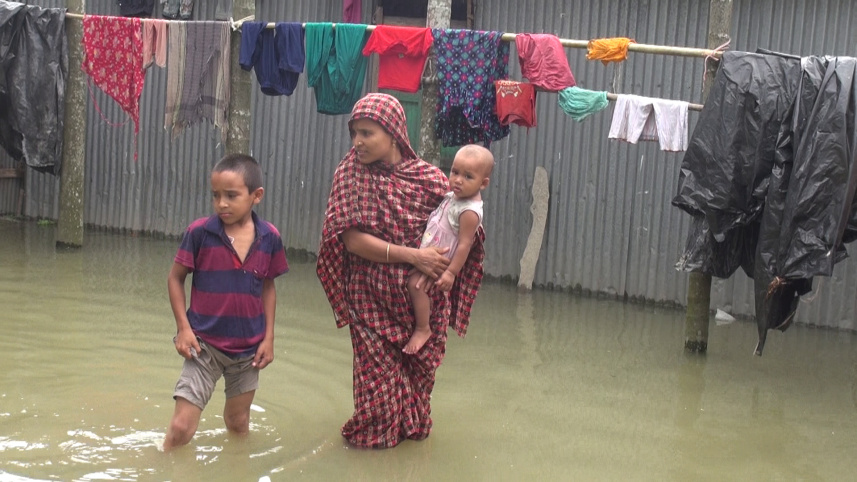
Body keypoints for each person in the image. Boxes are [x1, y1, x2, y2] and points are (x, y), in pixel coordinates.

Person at [316, 93, 486, 448]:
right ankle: (371, 457)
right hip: (370, 302)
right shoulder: (349, 175)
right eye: (354, 133)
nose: (357, 142)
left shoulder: (429, 178)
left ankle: (407, 463)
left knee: (416, 409)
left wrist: (444, 269)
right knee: (376, 408)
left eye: (367, 133)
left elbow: (465, 228)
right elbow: (350, 241)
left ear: (393, 133)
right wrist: (414, 257)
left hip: (422, 305)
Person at [163, 153, 289, 451]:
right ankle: (163, 463)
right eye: (216, 195)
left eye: (231, 195)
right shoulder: (199, 233)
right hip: (203, 346)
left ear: (256, 195)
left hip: (248, 352)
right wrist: (183, 329)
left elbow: (268, 287)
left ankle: (237, 466)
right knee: (181, 428)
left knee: (238, 422)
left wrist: (269, 338)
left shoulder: (269, 237)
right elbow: (175, 279)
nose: (221, 203)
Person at [403, 144, 494, 354]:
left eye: (468, 176)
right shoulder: (456, 195)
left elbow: (464, 244)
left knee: (415, 285)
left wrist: (450, 273)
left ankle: (423, 328)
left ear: (483, 183)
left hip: (439, 259)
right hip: (429, 249)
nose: (458, 180)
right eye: (455, 172)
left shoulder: (469, 211)